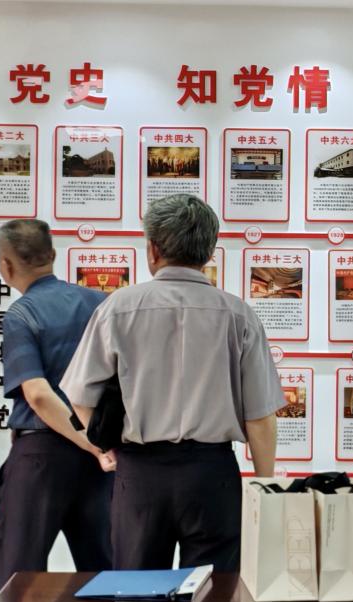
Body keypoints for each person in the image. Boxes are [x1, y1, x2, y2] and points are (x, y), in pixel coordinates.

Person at [61, 194, 283, 573]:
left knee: (137, 595)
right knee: (213, 595)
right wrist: (264, 487)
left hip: (140, 475)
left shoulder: (117, 308)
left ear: (153, 249)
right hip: (212, 475)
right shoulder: (239, 315)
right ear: (209, 252)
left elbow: (80, 396)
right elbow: (260, 417)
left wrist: (104, 448)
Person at [0, 219, 117, 590]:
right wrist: (95, 444)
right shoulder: (100, 304)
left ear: (6, 265)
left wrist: (88, 442)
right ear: (53, 254)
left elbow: (39, 395)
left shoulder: (21, 314)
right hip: (99, 458)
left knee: (20, 580)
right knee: (106, 574)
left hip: (41, 457)